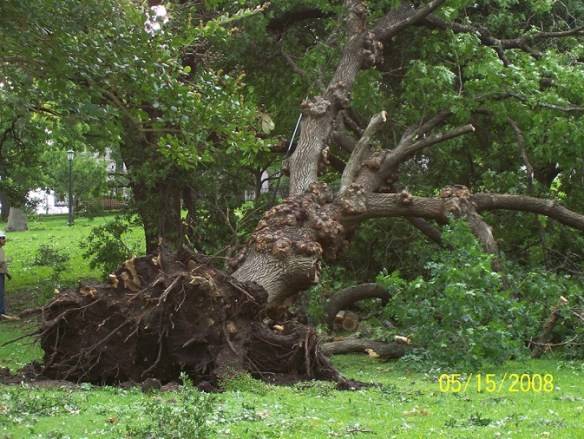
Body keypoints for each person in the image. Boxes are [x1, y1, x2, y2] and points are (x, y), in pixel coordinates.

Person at [0, 230, 18, 320]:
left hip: (2, 275)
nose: (4, 240)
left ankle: (2, 312)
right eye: (2, 238)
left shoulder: (1, 250)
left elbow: (3, 266)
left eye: (4, 238)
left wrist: (7, 274)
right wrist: (4, 260)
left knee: (1, 293)